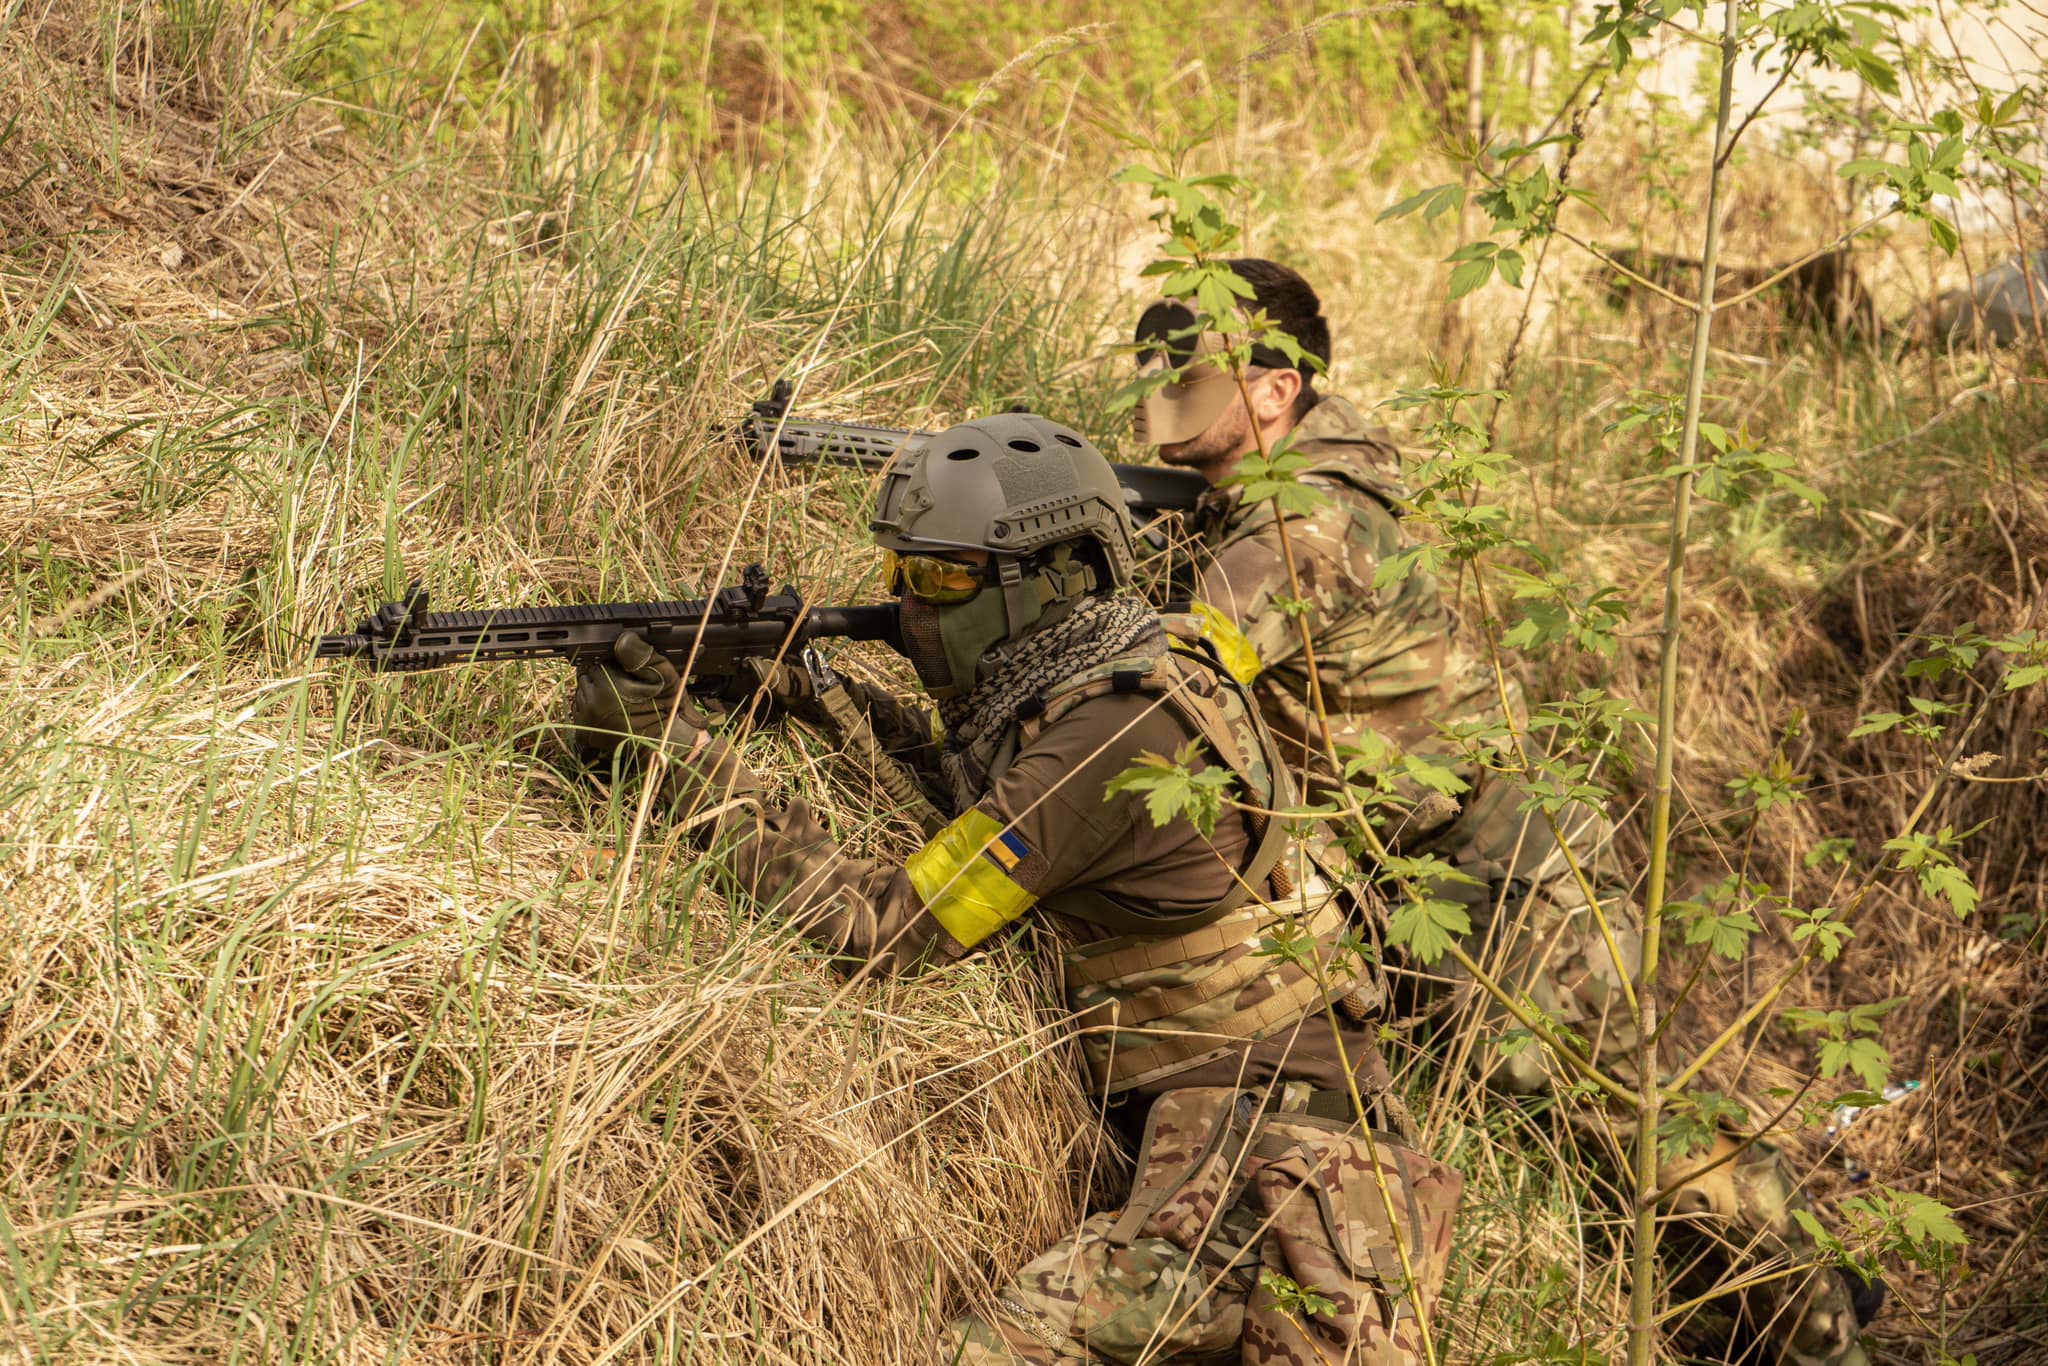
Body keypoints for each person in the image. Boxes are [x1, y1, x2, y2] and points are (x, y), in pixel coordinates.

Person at [569, 413, 1461, 1364]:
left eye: (943, 577)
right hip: (1237, 1149)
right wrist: (804, 691)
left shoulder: (1123, 728)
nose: (911, 607)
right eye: (900, 573)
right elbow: (978, 799)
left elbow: (883, 928)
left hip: (1285, 1182)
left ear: (1062, 574)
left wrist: (673, 756)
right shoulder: (1103, 677)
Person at [1129, 260, 1879, 1366]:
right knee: (1597, 1129)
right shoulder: (1274, 501)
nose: (1159, 389)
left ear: (1274, 393)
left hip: (1502, 867)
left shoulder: (1308, 527)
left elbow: (1187, 668)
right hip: (1426, 869)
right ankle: (1741, 1317)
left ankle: (1819, 1328)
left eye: (1187, 368)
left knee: (1645, 1127)